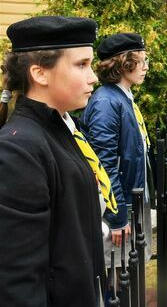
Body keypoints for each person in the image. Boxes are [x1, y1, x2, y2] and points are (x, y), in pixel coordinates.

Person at [0, 16, 107, 304]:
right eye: (81, 65)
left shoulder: (61, 128)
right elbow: (18, 283)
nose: (93, 76)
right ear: (40, 73)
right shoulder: (18, 150)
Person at [81, 32, 153, 262]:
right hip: (120, 205)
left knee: (131, 266)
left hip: (133, 197)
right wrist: (117, 217)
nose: (145, 68)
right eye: (140, 61)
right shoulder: (106, 102)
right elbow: (105, 164)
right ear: (123, 64)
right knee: (118, 273)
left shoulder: (122, 96)